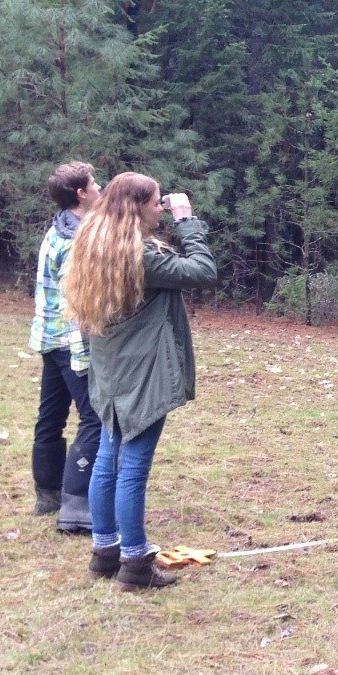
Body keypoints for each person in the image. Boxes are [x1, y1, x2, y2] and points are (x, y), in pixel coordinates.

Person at [62, 173, 216, 591]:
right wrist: (187, 220)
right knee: (132, 469)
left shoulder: (96, 245)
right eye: (155, 203)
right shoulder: (139, 257)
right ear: (135, 208)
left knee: (109, 459)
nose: (160, 209)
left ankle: (105, 552)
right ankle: (134, 565)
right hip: (142, 374)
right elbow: (202, 270)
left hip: (112, 370)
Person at [28, 161, 102, 531]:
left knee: (51, 418)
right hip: (70, 343)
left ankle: (47, 496)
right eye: (95, 182)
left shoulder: (58, 227)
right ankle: (75, 506)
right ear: (81, 193)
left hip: (48, 337)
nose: (100, 187)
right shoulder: (77, 239)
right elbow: (79, 298)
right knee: (96, 418)